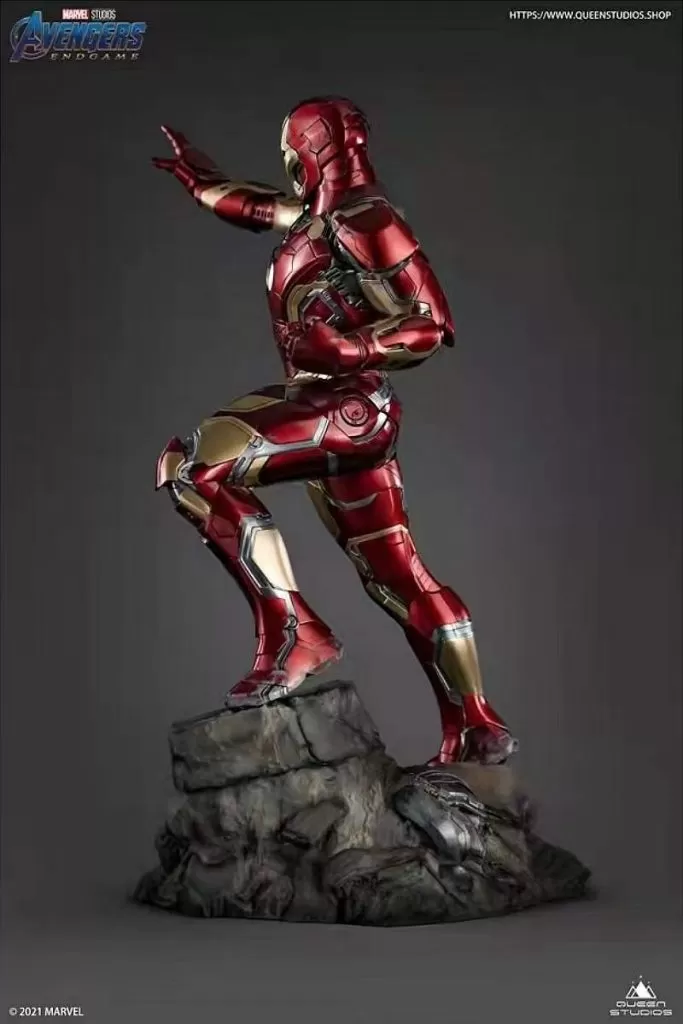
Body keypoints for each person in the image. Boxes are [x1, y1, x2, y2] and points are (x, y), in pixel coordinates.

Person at [153, 96, 515, 765]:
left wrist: (352, 348)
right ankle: (474, 723)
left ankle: (295, 633)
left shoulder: (366, 219)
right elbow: (259, 208)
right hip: (338, 414)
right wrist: (202, 181)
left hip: (347, 406)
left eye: (292, 153)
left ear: (305, 152)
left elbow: (432, 323)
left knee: (193, 468)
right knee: (397, 579)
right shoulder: (319, 218)